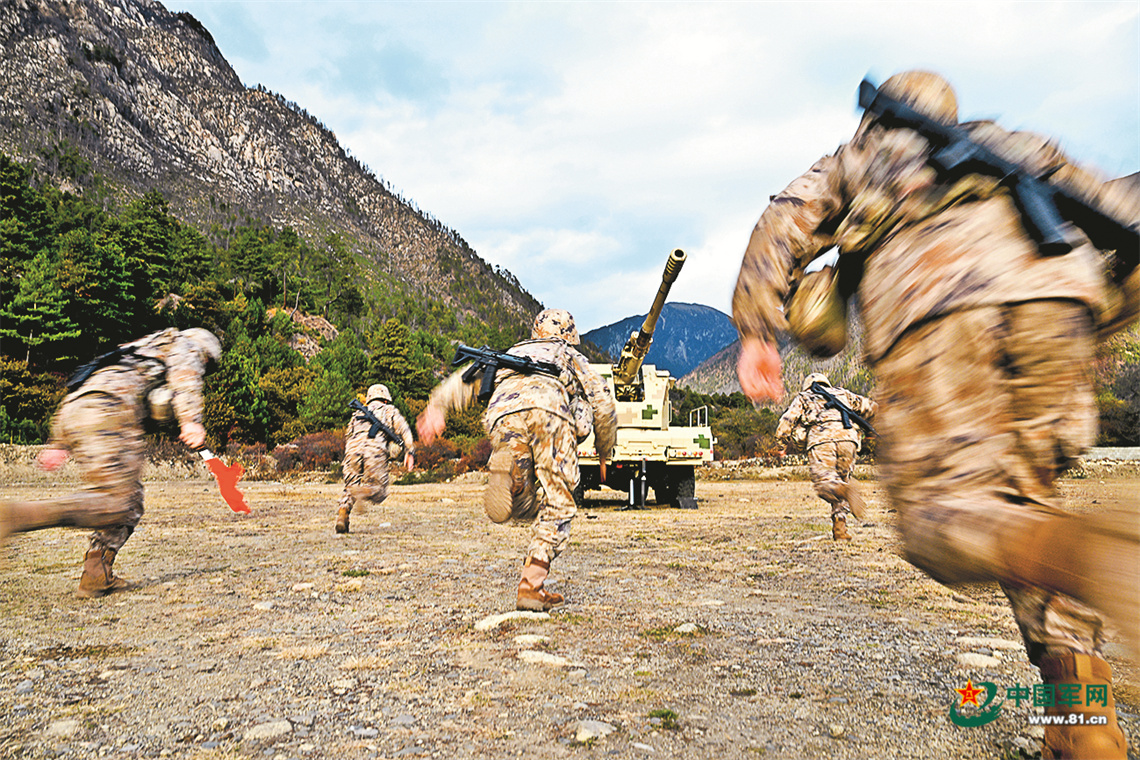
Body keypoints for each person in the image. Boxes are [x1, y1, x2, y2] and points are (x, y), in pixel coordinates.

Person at [731, 71, 1138, 759]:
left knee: (941, 527)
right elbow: (1117, 209)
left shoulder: (858, 159)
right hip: (1056, 305)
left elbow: (782, 226)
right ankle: (1082, 724)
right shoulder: (1009, 144)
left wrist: (755, 330)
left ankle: (1106, 557)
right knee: (1023, 511)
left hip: (940, 315)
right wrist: (1093, 320)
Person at [416, 309, 617, 612]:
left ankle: (515, 475)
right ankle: (531, 586)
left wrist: (436, 407)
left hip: (502, 414)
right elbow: (602, 400)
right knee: (559, 503)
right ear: (569, 335)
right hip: (549, 412)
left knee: (524, 507)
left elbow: (466, 377)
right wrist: (605, 449)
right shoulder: (567, 354)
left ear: (536, 330)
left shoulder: (511, 353)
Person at [0, 327, 222, 599]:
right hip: (110, 410)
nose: (204, 368)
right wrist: (191, 420)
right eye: (208, 364)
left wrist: (59, 439)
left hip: (75, 410)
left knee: (130, 499)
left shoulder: (136, 349)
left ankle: (97, 574)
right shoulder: (186, 344)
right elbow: (186, 375)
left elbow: (89, 382)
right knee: (115, 504)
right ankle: (15, 516)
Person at [776, 373, 877, 541]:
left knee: (825, 483)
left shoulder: (804, 397)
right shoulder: (843, 393)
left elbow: (787, 421)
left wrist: (781, 444)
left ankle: (846, 489)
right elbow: (871, 407)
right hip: (849, 439)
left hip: (822, 440)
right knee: (841, 481)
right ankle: (840, 529)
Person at [336, 383, 415, 534]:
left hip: (352, 451)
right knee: (379, 491)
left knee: (351, 485)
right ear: (386, 399)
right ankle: (362, 492)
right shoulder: (389, 410)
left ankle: (343, 514)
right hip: (374, 450)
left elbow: (348, 435)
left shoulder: (357, 414)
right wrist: (410, 451)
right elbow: (404, 430)